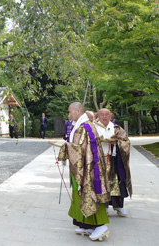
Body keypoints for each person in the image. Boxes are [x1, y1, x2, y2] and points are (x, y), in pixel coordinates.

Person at [57, 102, 110, 241]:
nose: (69, 115)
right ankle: (86, 224)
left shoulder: (84, 127)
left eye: (70, 112)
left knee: (90, 195)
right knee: (79, 194)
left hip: (88, 169)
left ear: (78, 111)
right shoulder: (83, 126)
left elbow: (79, 150)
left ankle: (101, 225)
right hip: (85, 166)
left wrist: (66, 147)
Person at [95, 108, 132, 217]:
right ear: (98, 116)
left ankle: (119, 206)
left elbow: (126, 141)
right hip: (99, 161)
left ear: (110, 116)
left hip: (114, 160)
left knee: (118, 182)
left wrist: (117, 141)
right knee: (101, 184)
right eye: (102, 114)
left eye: (107, 114)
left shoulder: (116, 128)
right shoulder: (93, 128)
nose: (104, 117)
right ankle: (103, 207)